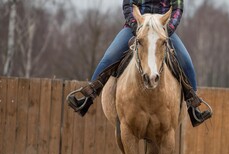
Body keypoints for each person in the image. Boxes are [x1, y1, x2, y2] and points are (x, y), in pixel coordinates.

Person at [67, 0, 212, 127]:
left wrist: (165, 30)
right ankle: (87, 98)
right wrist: (138, 28)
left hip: (162, 30)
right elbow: (127, 5)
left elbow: (177, 8)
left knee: (186, 62)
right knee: (109, 57)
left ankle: (194, 108)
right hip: (137, 28)